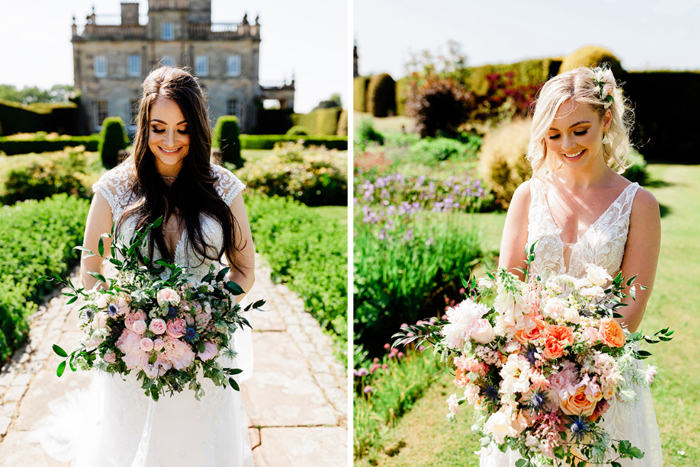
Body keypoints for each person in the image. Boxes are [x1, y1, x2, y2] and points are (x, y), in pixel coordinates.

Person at [30, 66, 256, 466]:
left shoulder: (222, 187)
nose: (170, 141)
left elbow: (244, 269)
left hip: (205, 350)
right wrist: (125, 321)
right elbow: (91, 271)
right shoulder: (115, 188)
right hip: (135, 352)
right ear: (144, 126)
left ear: (197, 129)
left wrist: (210, 314)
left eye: (182, 129)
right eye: (158, 127)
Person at [480, 67, 662, 466]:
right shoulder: (527, 195)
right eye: (554, 134)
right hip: (530, 377)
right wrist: (529, 364)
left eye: (580, 129)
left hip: (602, 380)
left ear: (606, 120)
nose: (567, 144)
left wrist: (580, 370)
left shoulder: (640, 205)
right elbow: (507, 284)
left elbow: (630, 310)